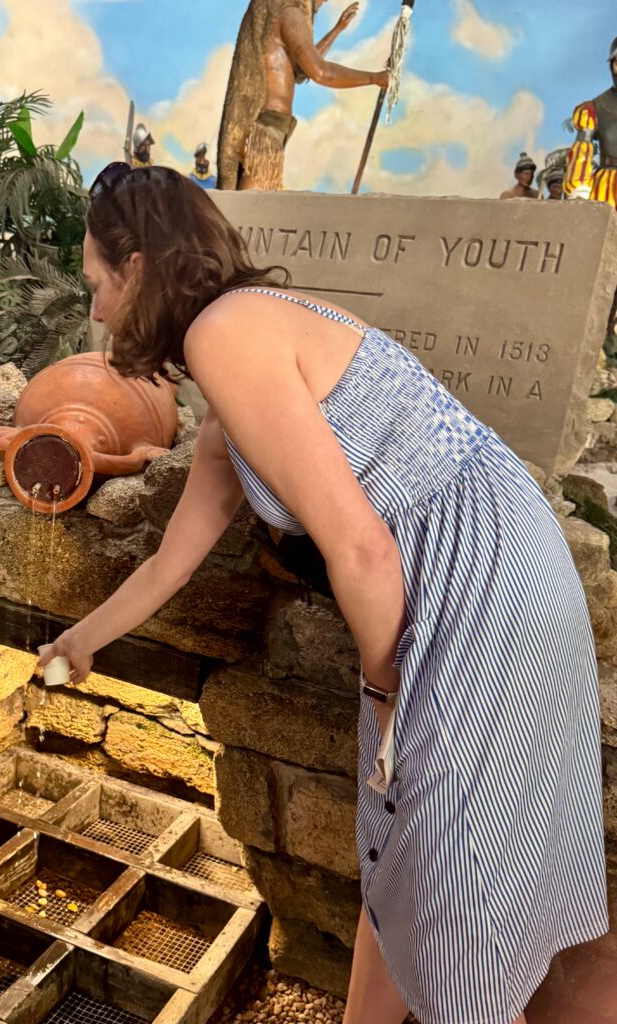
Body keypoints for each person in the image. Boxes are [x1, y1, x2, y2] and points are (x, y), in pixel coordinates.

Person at [41, 164, 608, 1024]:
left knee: (449, 853)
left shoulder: (224, 334)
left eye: (97, 283)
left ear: (139, 266)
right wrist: (79, 641)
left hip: (481, 580)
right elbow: (170, 561)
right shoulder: (243, 354)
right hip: (497, 550)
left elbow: (364, 552)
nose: (96, 311)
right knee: (405, 840)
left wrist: (384, 700)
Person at [217, 0, 388, 191]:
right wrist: (375, 78)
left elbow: (302, 68)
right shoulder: (290, 14)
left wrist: (337, 30)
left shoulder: (283, 13)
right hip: (266, 126)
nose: (324, 2)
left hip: (272, 124)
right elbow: (321, 72)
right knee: (252, 205)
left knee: (259, 202)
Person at [564, 36, 617, 208]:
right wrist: (579, 187)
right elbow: (581, 151)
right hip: (608, 189)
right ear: (614, 66)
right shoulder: (594, 109)